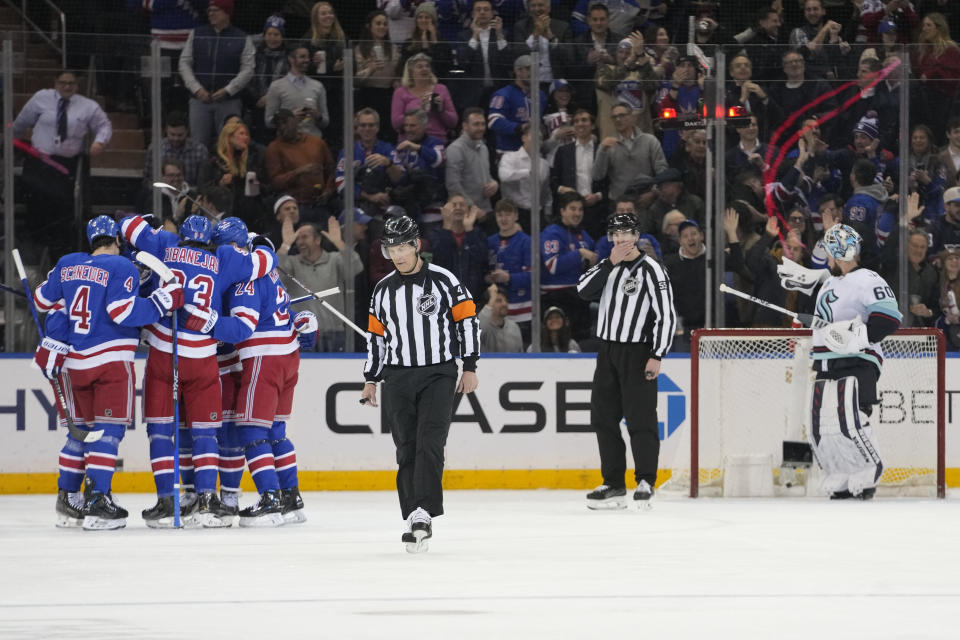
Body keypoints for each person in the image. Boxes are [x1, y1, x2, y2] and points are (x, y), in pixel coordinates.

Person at [119, 212, 278, 527]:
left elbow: (128, 226)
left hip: (166, 351)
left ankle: (167, 499)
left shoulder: (165, 243)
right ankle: (208, 499)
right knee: (206, 433)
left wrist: (148, 222)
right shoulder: (225, 258)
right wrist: (259, 244)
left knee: (161, 430)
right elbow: (265, 262)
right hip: (204, 357)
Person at [34, 216, 184, 530]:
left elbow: (41, 299)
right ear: (116, 239)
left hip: (74, 362)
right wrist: (160, 302)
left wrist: (65, 287)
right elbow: (122, 311)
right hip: (110, 361)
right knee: (106, 433)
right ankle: (98, 502)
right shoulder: (121, 267)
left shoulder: (68, 264)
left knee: (80, 432)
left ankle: (68, 499)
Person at [361, 215, 480, 553]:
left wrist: (469, 365)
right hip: (398, 377)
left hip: (438, 374)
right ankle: (413, 510)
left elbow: (468, 322)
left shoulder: (444, 280)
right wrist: (371, 378)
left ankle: (423, 513)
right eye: (391, 249)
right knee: (407, 447)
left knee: (430, 442)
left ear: (416, 246)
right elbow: (376, 338)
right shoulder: (382, 290)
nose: (397, 255)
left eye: (402, 247)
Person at [776, 224, 903, 499]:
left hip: (857, 361)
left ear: (838, 251)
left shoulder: (868, 279)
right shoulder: (831, 282)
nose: (827, 258)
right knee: (821, 424)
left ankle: (867, 469)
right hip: (825, 362)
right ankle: (839, 474)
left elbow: (889, 318)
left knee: (851, 418)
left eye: (829, 252)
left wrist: (857, 335)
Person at [207, 218, 313, 525]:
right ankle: (291, 499)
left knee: (251, 431)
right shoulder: (272, 274)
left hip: (264, 357)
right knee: (276, 431)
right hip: (288, 355)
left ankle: (270, 499)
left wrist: (207, 321)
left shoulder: (246, 281)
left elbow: (243, 326)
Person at [576, 212, 676, 510]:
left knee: (640, 419)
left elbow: (666, 316)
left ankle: (645, 480)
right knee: (603, 418)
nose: (619, 240)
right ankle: (614, 483)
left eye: (625, 234)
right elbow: (582, 291)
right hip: (607, 351)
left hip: (638, 352)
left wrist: (657, 355)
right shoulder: (608, 267)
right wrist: (608, 263)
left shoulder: (652, 270)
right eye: (615, 234)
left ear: (636, 236)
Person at [13, 69, 112, 258]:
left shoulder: (86, 106)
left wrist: (99, 141)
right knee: (37, 210)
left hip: (65, 166)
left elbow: (104, 125)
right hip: (39, 164)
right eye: (63, 82)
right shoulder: (41, 98)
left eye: (71, 83)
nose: (67, 86)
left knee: (62, 215)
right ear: (55, 83)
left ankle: (59, 257)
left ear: (77, 85)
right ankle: (34, 254)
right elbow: (20, 123)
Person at [178, 0, 254, 149]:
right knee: (198, 144)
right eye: (209, 10)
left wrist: (228, 90)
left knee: (229, 144)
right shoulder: (197, 34)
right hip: (200, 101)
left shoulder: (242, 38)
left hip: (229, 101)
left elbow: (248, 69)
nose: (211, 13)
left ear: (227, 13)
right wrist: (196, 89)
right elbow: (184, 63)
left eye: (215, 10)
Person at [278, 219, 363, 352]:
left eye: (305, 237)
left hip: (334, 332)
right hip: (303, 331)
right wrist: (285, 245)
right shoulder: (291, 263)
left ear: (318, 240)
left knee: (337, 373)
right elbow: (274, 275)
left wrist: (339, 242)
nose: (300, 241)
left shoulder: (335, 260)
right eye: (297, 238)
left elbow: (357, 267)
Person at [264, 108, 336, 223]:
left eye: (285, 123)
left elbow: (332, 170)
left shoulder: (317, 143)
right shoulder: (274, 148)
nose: (282, 127)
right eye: (279, 125)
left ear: (295, 122)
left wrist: (328, 191)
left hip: (321, 204)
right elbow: (275, 183)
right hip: (296, 206)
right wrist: (299, 171)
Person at [541, 192, 596, 340]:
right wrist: (579, 253)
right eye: (573, 209)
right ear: (562, 211)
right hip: (556, 299)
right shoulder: (551, 233)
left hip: (579, 300)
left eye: (580, 209)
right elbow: (553, 265)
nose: (577, 213)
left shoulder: (584, 235)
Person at [335, 108, 405, 217]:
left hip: (385, 205)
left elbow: (401, 178)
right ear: (357, 128)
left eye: (371, 125)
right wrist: (370, 197)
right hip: (356, 208)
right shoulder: (347, 152)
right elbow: (340, 183)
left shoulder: (388, 149)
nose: (367, 129)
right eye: (363, 125)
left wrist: (388, 163)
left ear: (377, 128)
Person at [199, 119, 267, 230]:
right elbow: (202, 189)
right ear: (229, 137)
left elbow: (265, 188)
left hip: (250, 217)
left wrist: (254, 182)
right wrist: (220, 183)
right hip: (223, 217)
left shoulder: (252, 159)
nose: (246, 138)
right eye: (241, 134)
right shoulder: (213, 161)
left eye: (247, 135)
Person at [592, 102, 667, 201]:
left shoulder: (650, 141)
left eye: (622, 115)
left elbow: (662, 171)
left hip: (647, 200)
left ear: (631, 117)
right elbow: (597, 176)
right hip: (619, 203)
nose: (618, 119)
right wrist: (602, 150)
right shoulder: (608, 145)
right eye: (614, 117)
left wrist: (653, 192)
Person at [486, 199, 532, 339]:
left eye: (508, 214)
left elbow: (533, 276)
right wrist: (488, 278)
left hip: (523, 312)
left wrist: (509, 278)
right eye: (500, 215)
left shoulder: (526, 241)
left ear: (516, 216)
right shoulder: (490, 242)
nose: (503, 219)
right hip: (496, 313)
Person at [264, 45, 330, 139]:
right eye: (302, 57)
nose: (307, 60)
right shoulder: (276, 86)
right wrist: (288, 117)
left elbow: (325, 122)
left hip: (313, 142)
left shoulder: (318, 86)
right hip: (287, 143)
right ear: (291, 59)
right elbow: (268, 122)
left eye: (308, 57)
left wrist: (317, 115)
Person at [355, 10, 402, 142]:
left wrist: (397, 82)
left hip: (389, 96)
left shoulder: (393, 48)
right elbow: (356, 79)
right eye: (378, 23)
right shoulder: (360, 49)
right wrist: (371, 69)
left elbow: (396, 73)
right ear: (369, 26)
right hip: (367, 96)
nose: (382, 27)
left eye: (385, 24)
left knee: (387, 133)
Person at [390, 53, 458, 144]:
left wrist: (441, 110)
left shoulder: (441, 89)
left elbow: (453, 122)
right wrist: (419, 110)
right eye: (420, 66)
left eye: (427, 66)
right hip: (409, 141)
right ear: (411, 71)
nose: (424, 69)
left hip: (436, 139)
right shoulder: (400, 92)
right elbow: (396, 124)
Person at [488, 55, 547, 153]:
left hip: (534, 153)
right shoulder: (502, 94)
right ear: (518, 71)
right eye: (528, 69)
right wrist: (519, 128)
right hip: (509, 152)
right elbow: (493, 121)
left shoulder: (541, 95)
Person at [445, 107, 498, 215]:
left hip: (485, 210)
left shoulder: (483, 147)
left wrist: (494, 183)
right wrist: (472, 208)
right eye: (476, 124)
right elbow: (453, 185)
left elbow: (486, 176)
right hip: (464, 213)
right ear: (465, 126)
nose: (481, 128)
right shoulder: (455, 149)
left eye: (483, 124)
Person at [142, 110, 209, 194]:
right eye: (172, 134)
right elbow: (147, 179)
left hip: (190, 195)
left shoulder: (200, 150)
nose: (176, 139)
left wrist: (184, 192)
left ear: (187, 131)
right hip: (162, 195)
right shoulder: (155, 148)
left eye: (180, 135)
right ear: (166, 131)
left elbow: (203, 183)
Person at [479, 283, 524, 352]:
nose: (504, 304)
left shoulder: (514, 327)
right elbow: (479, 326)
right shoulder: (483, 325)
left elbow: (520, 354)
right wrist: (492, 298)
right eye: (498, 301)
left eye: (506, 300)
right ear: (489, 304)